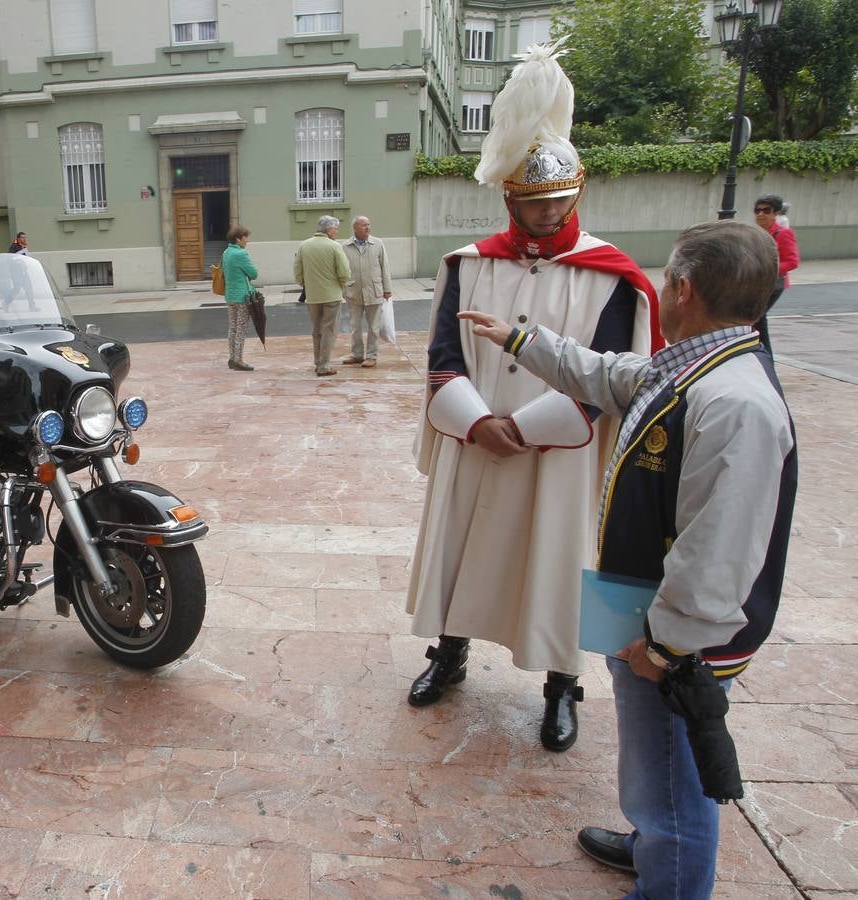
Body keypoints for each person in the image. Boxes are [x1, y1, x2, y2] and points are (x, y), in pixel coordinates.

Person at [460, 218, 797, 900]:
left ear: (684, 287)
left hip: (678, 643)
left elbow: (719, 553)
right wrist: (523, 341)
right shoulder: (701, 367)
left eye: (666, 278)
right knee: (657, 767)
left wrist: (669, 646)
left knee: (674, 775)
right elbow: (611, 376)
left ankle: (667, 876)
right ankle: (653, 843)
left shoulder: (735, 404)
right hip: (651, 619)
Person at [405, 44, 661, 752]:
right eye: (532, 202)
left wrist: (526, 427)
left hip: (558, 451)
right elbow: (442, 359)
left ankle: (560, 686)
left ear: (576, 193)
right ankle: (449, 656)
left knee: (552, 563)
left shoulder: (611, 278)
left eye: (557, 201)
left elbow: (612, 374)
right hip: (473, 437)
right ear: (508, 197)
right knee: (462, 549)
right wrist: (479, 421)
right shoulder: (468, 264)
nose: (547, 215)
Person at [294, 215, 352, 376]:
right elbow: (344, 272)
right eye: (335, 228)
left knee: (317, 329)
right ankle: (324, 365)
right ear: (329, 229)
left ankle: (318, 361)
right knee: (329, 330)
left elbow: (297, 270)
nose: (337, 232)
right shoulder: (334, 246)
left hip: (312, 295)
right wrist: (340, 286)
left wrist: (306, 285)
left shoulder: (304, 245)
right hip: (331, 295)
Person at [341, 215, 393, 368]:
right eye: (364, 225)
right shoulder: (345, 246)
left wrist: (387, 289)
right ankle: (357, 354)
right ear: (355, 228)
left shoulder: (378, 243)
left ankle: (371, 356)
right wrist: (344, 289)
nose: (368, 227)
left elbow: (385, 267)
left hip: (374, 290)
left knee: (374, 327)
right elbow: (341, 270)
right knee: (355, 326)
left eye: (369, 224)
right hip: (354, 291)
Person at [753, 194, 799, 353]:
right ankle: (761, 356)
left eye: (766, 210)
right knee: (755, 319)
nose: (761, 214)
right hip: (756, 283)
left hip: (773, 284)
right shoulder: (756, 232)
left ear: (775, 213)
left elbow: (792, 261)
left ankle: (765, 358)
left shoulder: (783, 233)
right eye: (757, 210)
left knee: (755, 318)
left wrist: (768, 268)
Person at [221, 223, 258, 371]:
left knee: (233, 328)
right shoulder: (241, 254)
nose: (247, 241)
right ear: (238, 239)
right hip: (243, 296)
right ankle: (239, 359)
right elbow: (254, 273)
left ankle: (232, 357)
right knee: (241, 328)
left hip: (230, 295)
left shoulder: (226, 253)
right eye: (245, 238)